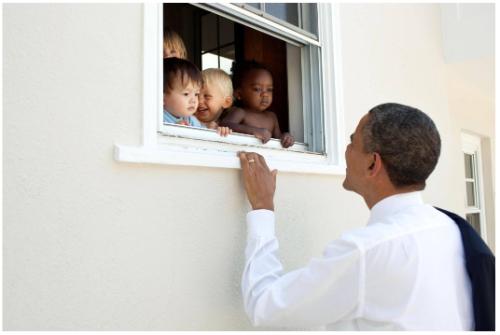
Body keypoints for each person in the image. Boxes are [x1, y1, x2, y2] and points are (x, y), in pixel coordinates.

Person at [237, 103, 475, 330]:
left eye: (352, 142)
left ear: (373, 164)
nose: (346, 150)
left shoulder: (366, 251)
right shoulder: (450, 228)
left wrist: (262, 208)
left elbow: (264, 304)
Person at [220, 60, 294, 148]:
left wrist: (286, 137)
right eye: (257, 89)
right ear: (239, 94)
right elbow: (225, 125)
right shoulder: (240, 112)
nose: (265, 94)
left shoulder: (272, 117)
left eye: (269, 89)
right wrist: (253, 131)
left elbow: (278, 139)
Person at [163, 58, 232, 136]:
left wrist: (218, 132)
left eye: (196, 94)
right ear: (162, 98)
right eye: (186, 94)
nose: (196, 100)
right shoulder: (157, 118)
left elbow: (204, 139)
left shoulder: (190, 120)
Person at [195, 68, 233, 137]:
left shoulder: (222, 127)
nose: (199, 101)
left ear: (226, 102)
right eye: (196, 95)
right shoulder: (186, 119)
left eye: (207, 96)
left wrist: (223, 132)